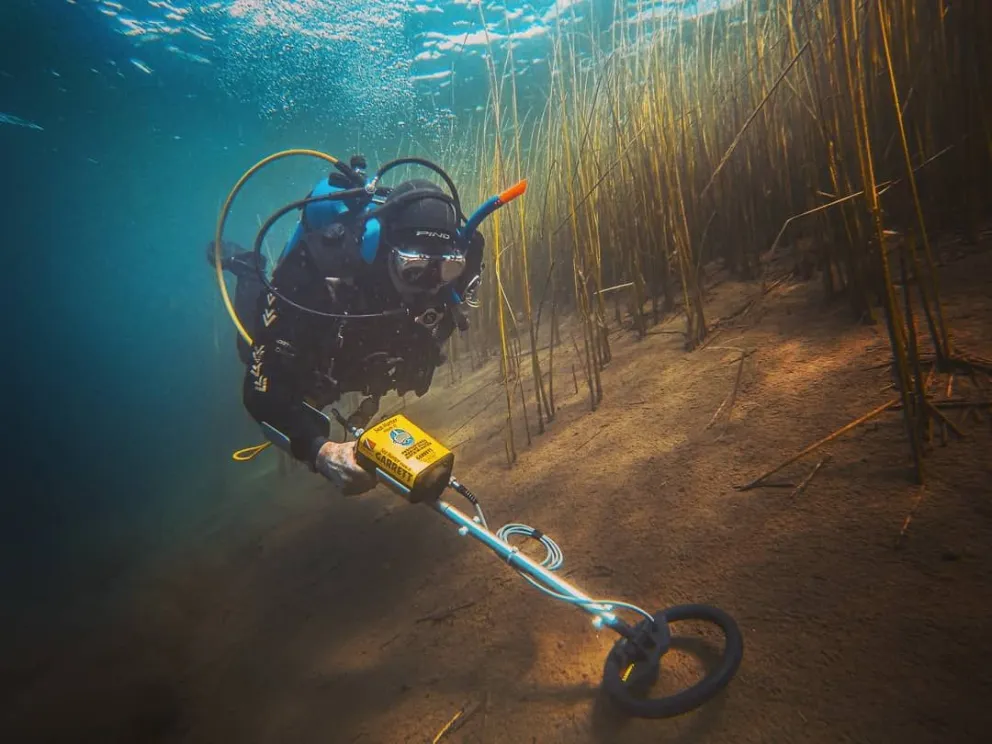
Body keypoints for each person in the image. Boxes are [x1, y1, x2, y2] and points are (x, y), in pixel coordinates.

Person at [210, 155, 485, 496]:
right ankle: (249, 268)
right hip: (320, 338)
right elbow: (259, 390)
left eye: (445, 269)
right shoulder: (319, 268)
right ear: (388, 253)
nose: (429, 286)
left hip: (364, 351)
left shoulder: (461, 260)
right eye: (412, 268)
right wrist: (321, 452)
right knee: (248, 347)